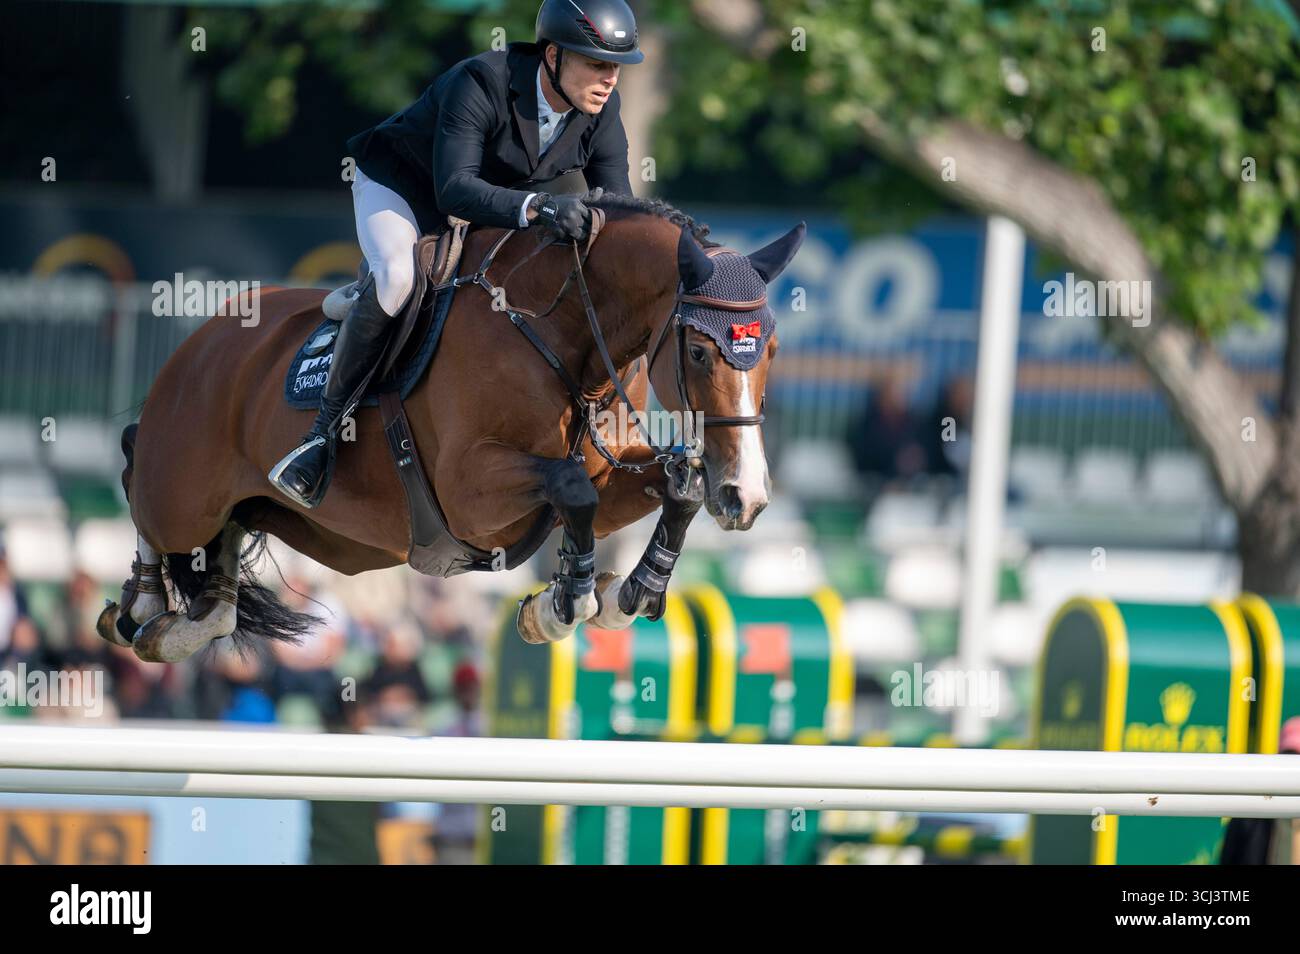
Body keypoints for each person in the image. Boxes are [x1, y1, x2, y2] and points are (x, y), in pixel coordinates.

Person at [269, 0, 644, 509]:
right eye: (596, 64)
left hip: (488, 207)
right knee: (400, 278)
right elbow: (454, 191)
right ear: (553, 56)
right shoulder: (482, 82)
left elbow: (618, 206)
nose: (609, 80)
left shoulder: (602, 110)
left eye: (616, 67)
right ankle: (321, 436)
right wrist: (542, 206)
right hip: (403, 188)